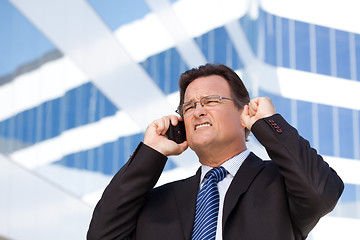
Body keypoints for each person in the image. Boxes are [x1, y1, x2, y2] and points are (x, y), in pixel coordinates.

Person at [87, 64, 344, 240]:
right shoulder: (158, 202)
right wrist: (151, 153)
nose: (198, 111)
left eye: (211, 101)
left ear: (244, 114)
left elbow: (321, 192)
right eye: (188, 107)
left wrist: (268, 123)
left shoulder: (282, 183)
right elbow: (103, 235)